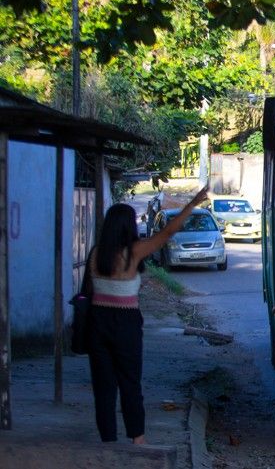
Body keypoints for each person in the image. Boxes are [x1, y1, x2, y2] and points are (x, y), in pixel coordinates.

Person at [86, 187, 209, 444]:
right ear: (127, 227)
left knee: (104, 388)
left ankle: (108, 440)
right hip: (125, 324)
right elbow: (168, 232)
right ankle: (138, 439)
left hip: (97, 323)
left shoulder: (96, 254)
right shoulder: (134, 252)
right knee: (130, 383)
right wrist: (193, 202)